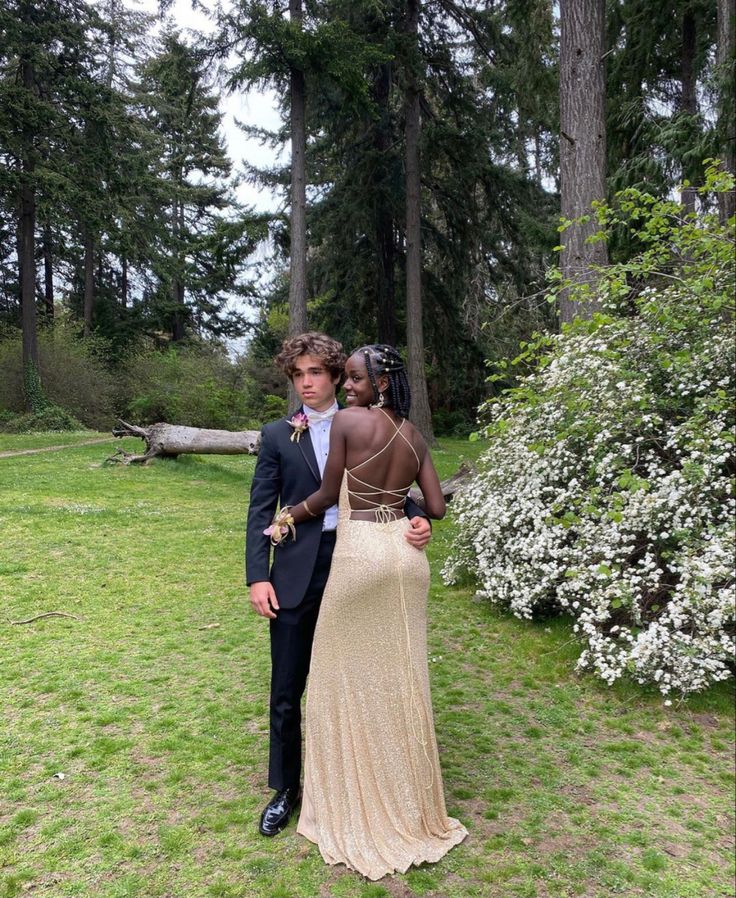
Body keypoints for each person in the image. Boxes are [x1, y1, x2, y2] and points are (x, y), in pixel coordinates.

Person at [268, 344, 468, 880]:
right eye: (348, 378)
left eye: (356, 378)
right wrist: (416, 520)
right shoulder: (416, 435)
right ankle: (407, 800)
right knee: (400, 676)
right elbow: (438, 507)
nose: (348, 386)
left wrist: (287, 515)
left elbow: (329, 493)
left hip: (358, 558)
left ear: (380, 383)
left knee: (338, 677)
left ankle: (351, 800)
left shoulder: (350, 423)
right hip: (406, 559)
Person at [245, 332, 432, 838]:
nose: (306, 383)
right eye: (297, 375)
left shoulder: (372, 421)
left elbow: (391, 488)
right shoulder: (279, 435)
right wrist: (258, 576)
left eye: (316, 373)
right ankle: (286, 789)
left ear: (334, 377)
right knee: (288, 684)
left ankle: (359, 781)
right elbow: (261, 510)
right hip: (296, 570)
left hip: (359, 563)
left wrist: (419, 518)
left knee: (362, 675)